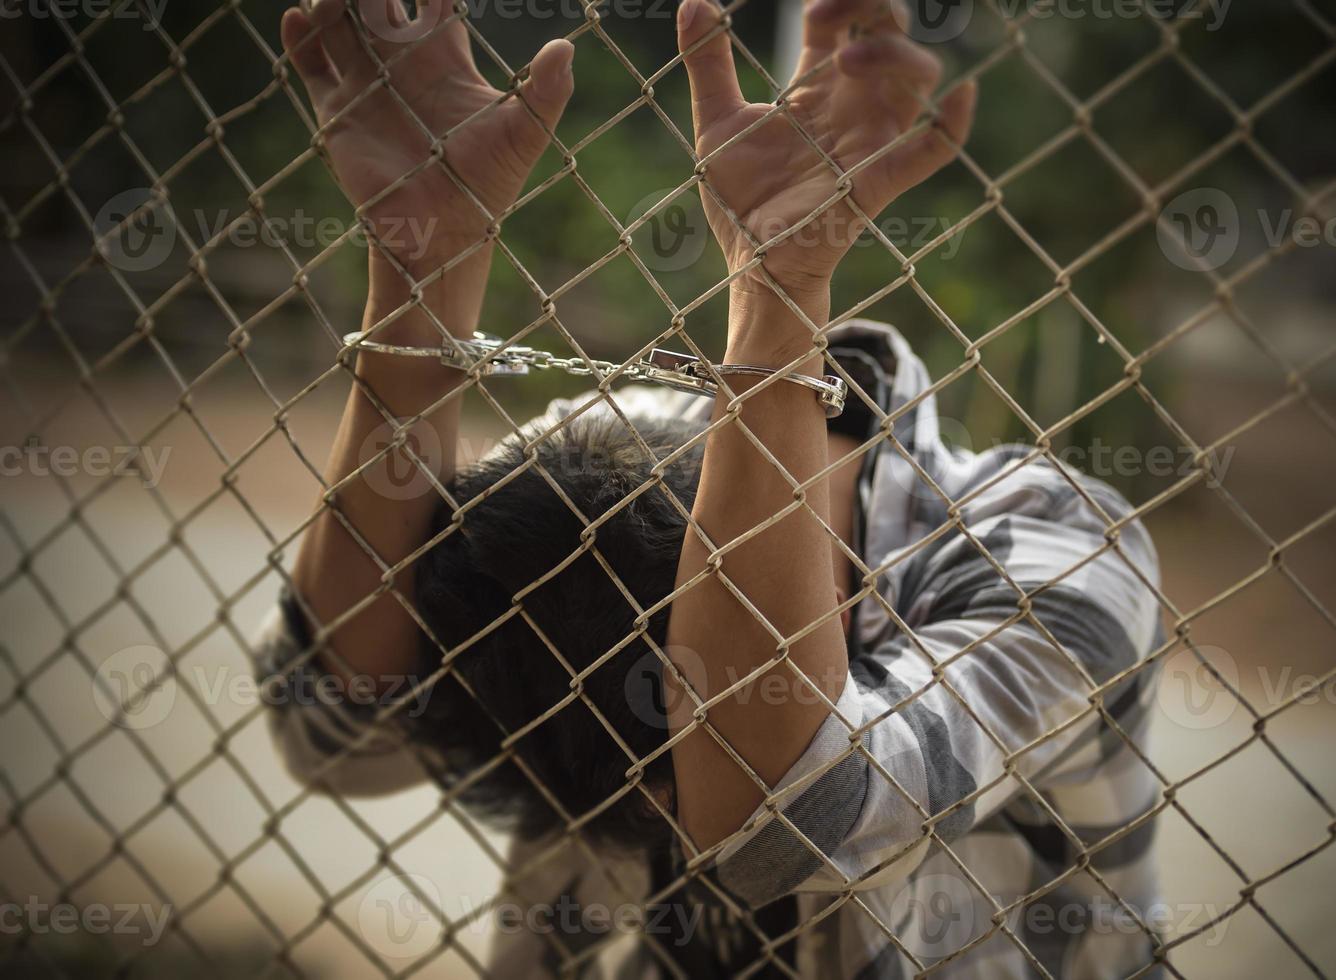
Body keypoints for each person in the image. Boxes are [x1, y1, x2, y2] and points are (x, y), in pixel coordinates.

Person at [257, 0, 1164, 975]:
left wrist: (779, 290)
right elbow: (332, 730)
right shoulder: (592, 467)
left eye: (663, 780)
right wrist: (420, 267)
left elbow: (783, 821)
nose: (663, 823)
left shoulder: (1051, 548)